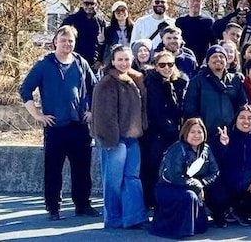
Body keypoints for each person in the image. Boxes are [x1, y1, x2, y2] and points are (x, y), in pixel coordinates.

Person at [19, 25, 99, 221]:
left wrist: (91, 111)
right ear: (55, 41)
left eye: (70, 40)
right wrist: (37, 115)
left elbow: (95, 88)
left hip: (79, 125)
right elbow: (25, 90)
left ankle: (82, 204)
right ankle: (53, 207)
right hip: (55, 127)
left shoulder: (81, 62)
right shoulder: (44, 64)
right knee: (53, 170)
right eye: (63, 40)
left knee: (82, 168)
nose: (67, 44)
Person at [90, 44, 147, 229]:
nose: (124, 63)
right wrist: (109, 140)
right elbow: (103, 115)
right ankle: (114, 218)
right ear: (113, 61)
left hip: (133, 138)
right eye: (120, 59)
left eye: (127, 59)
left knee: (132, 178)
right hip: (114, 140)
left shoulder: (135, 79)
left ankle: (134, 217)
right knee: (113, 181)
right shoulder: (107, 83)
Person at [151, 118, 220, 238]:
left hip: (192, 186)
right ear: (185, 133)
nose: (196, 135)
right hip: (168, 187)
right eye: (192, 132)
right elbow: (175, 176)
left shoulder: (206, 150)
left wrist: (202, 183)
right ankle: (180, 230)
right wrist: (195, 186)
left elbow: (215, 171)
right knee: (189, 196)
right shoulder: (177, 148)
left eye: (199, 132)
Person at [208, 105, 251, 226]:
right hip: (226, 183)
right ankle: (220, 213)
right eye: (242, 117)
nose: (246, 121)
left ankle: (242, 212)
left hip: (247, 185)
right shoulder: (226, 136)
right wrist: (223, 145)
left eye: (250, 118)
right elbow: (214, 161)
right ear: (236, 120)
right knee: (216, 192)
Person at [140, 49, 188, 210]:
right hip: (155, 133)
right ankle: (150, 201)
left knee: (173, 167)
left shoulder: (180, 82)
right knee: (152, 167)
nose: (167, 68)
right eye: (162, 65)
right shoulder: (150, 81)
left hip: (175, 132)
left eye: (170, 64)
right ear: (155, 66)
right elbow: (154, 109)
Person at [182, 45, 247, 154]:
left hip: (231, 134)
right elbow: (190, 108)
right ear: (207, 61)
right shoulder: (197, 81)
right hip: (207, 135)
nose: (218, 59)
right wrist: (199, 129)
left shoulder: (235, 80)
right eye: (214, 57)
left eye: (221, 57)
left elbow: (242, 105)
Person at [61, 0, 107, 69]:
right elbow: (58, 39)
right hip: (73, 64)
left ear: (96, 5)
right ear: (82, 4)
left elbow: (105, 44)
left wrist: (100, 60)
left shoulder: (101, 22)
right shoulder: (71, 20)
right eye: (86, 3)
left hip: (93, 66)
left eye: (92, 4)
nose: (89, 6)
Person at [175, 0, 215, 66]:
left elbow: (213, 43)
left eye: (198, 1)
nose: (195, 3)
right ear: (188, 3)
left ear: (202, 4)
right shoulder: (180, 21)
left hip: (203, 62)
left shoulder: (209, 22)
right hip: (184, 61)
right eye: (193, 0)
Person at [103, 1, 134, 65]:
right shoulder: (108, 30)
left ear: (127, 12)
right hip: (115, 63)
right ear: (114, 14)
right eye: (118, 11)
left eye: (123, 10)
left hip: (132, 62)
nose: (121, 13)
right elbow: (106, 49)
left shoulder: (135, 28)